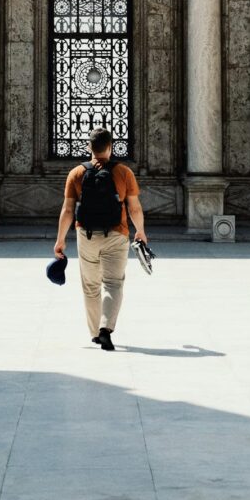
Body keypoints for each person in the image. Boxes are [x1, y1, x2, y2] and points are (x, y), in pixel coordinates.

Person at [53, 127, 147, 351]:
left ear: (89, 147)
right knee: (113, 283)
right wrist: (140, 231)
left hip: (86, 236)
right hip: (117, 234)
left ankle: (95, 332)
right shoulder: (124, 173)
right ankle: (106, 329)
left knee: (91, 285)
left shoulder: (76, 173)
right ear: (110, 147)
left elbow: (67, 211)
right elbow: (133, 207)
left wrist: (60, 240)